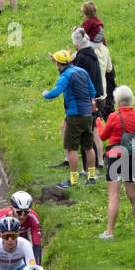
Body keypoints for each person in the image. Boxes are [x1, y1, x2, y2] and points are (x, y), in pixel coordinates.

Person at [42, 49, 97, 188]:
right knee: (88, 147)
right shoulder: (82, 71)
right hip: (87, 115)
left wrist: (45, 94)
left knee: (71, 149)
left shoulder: (65, 76)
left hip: (75, 116)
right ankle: (91, 177)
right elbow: (92, 91)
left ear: (58, 64)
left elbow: (55, 92)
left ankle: (73, 180)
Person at [98, 86, 135, 240]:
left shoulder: (114, 117)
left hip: (115, 156)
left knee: (114, 196)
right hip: (132, 157)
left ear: (117, 100)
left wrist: (99, 123)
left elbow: (103, 136)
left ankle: (109, 232)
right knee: (133, 195)